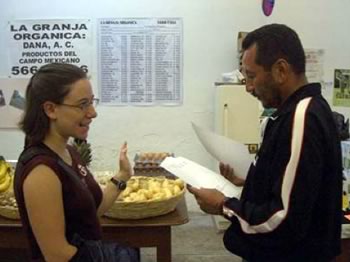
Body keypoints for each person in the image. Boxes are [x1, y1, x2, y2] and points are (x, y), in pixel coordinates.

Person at [188, 24, 343, 261]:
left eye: (251, 76)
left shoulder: (302, 116)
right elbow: (298, 185)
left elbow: (283, 219)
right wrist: (251, 181)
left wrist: (224, 206)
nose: (248, 87)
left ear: (281, 70)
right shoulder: (293, 112)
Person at [14, 63, 139, 262]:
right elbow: (58, 256)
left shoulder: (68, 151)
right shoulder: (41, 171)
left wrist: (121, 177)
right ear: (51, 109)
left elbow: (90, 212)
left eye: (91, 102)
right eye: (82, 104)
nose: (92, 113)